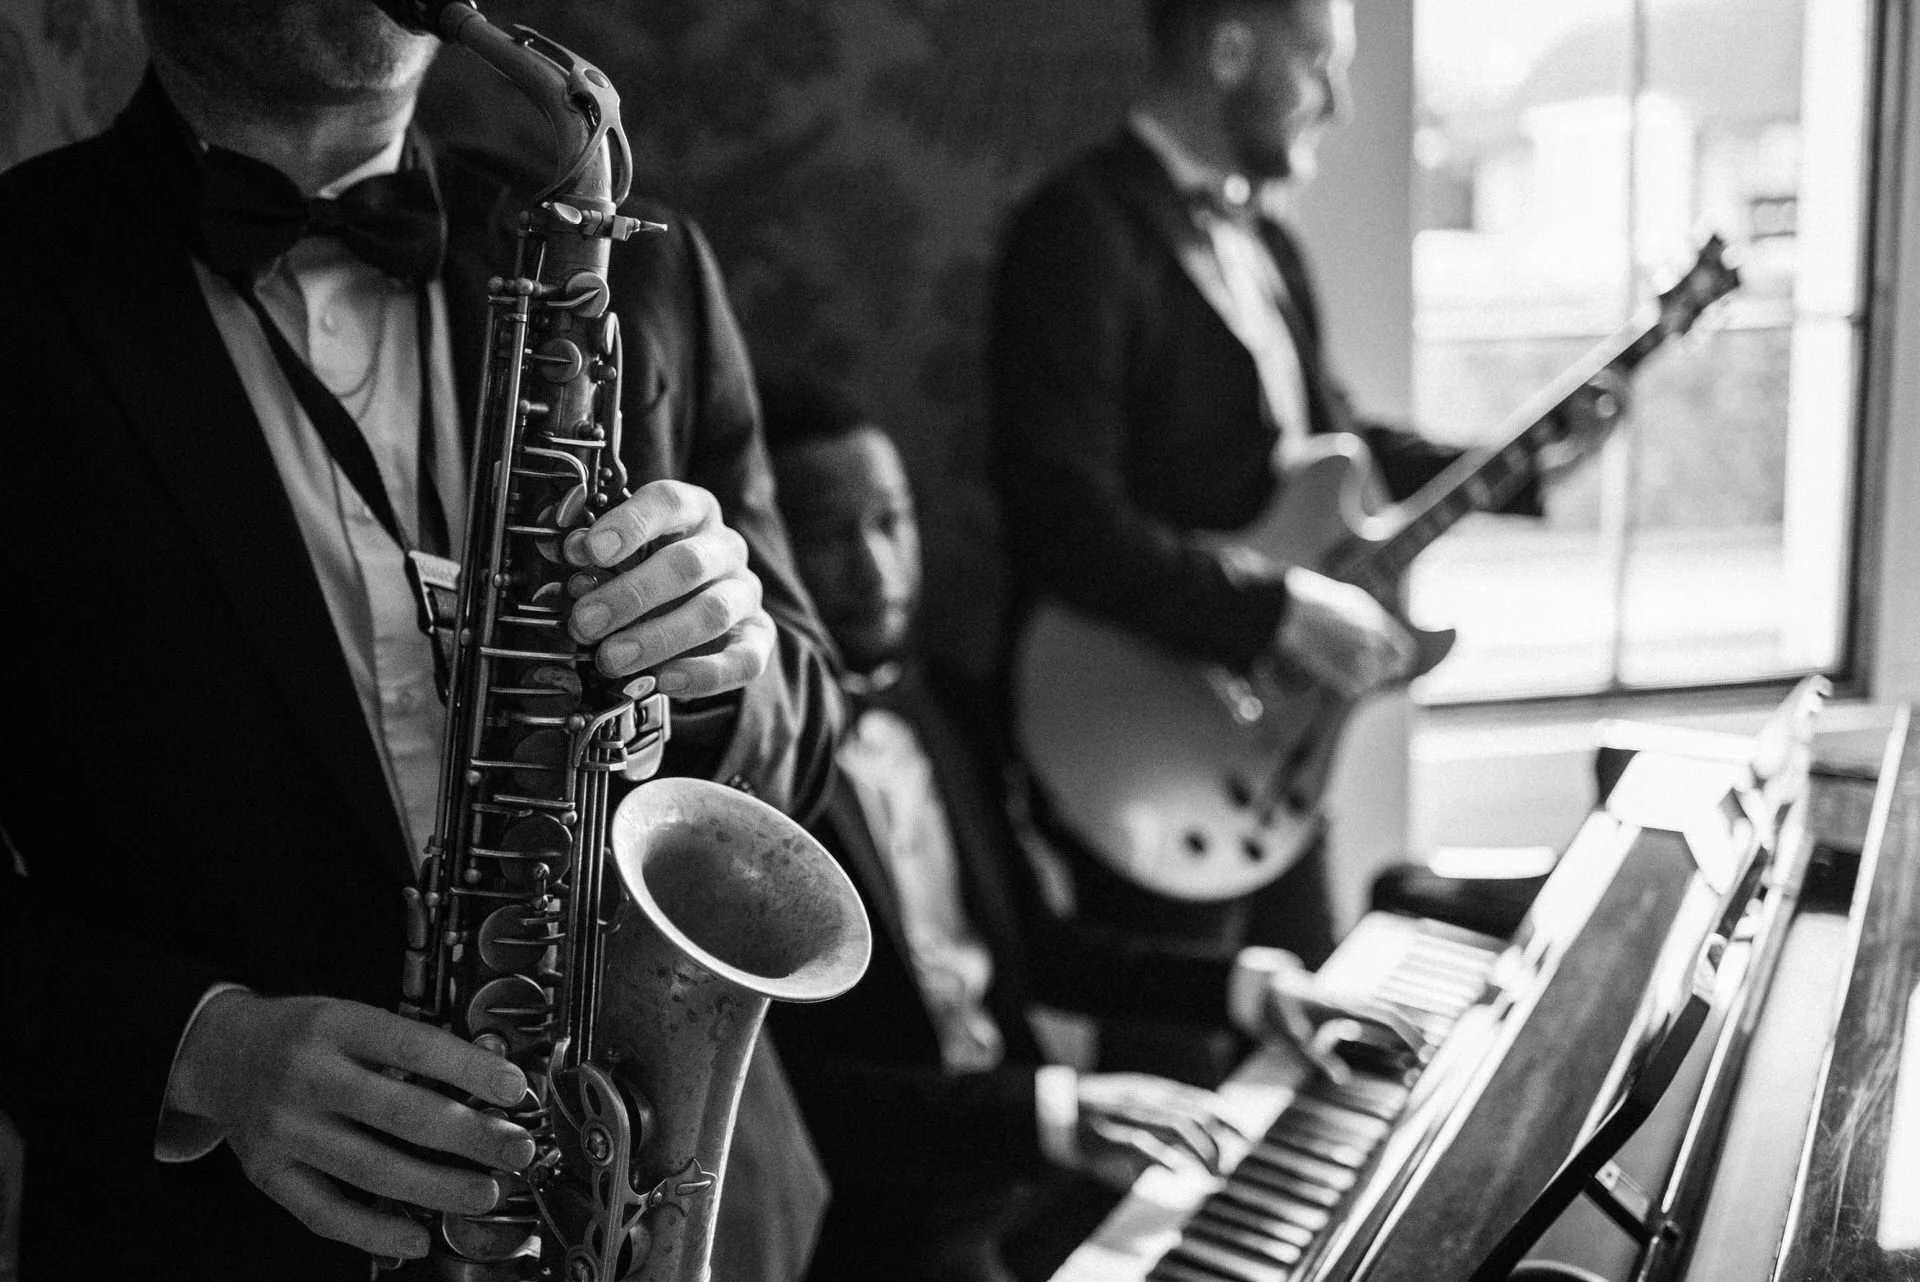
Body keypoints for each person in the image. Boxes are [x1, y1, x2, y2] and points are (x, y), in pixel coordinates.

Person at [0, 2, 842, 1279]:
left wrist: (731, 658)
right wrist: (199, 1049)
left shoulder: (646, 273)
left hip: (660, 1207)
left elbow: (808, 730)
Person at [988, 0, 1618, 1073]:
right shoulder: (1076, 231)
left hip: (1279, 751)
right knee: (1180, 1100)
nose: (1340, 99)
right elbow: (1058, 516)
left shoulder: (1266, 240)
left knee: (1325, 1059)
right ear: (1230, 49)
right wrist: (1277, 608)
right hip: (1140, 735)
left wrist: (1524, 462)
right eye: (1320, 63)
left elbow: (1336, 445)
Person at [756, 368, 1415, 1282]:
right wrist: (1058, 1113)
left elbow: (1038, 946)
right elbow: (804, 1100)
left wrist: (1245, 988)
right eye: (827, 536)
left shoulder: (946, 702)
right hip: (891, 1231)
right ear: (761, 549)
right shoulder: (747, 780)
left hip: (1027, 1183)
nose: (876, 569)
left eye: (890, 521)